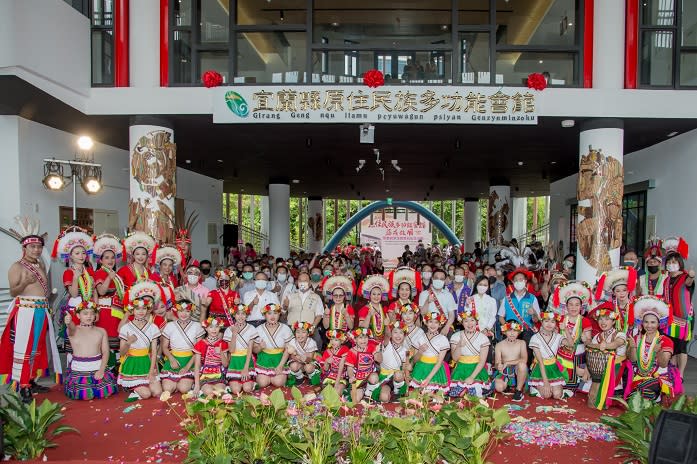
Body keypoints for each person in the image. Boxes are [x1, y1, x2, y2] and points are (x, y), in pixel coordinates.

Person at [626, 296, 678, 402]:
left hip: (658, 377)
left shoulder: (665, 340)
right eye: (646, 322)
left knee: (639, 394)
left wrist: (657, 351)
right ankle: (648, 397)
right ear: (642, 323)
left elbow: (663, 364)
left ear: (659, 323)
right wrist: (632, 347)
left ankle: (654, 395)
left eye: (653, 322)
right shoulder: (637, 338)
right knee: (636, 396)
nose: (649, 325)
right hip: (638, 376)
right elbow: (633, 360)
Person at [54, 227, 97, 355]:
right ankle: (74, 365)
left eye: (83, 253)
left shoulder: (89, 271)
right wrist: (76, 277)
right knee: (75, 336)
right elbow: (73, 293)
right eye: (77, 253)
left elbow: (94, 291)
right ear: (70, 256)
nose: (81, 256)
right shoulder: (68, 272)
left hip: (90, 307)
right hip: (75, 307)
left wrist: (96, 308)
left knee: (89, 336)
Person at [63, 301, 118, 400]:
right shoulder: (74, 330)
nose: (89, 316)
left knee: (105, 392)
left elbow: (105, 352)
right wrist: (68, 322)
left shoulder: (101, 331)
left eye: (92, 313)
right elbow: (70, 328)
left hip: (97, 367)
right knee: (86, 395)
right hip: (79, 369)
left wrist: (101, 370)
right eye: (85, 313)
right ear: (78, 316)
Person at [118, 297, 163, 401]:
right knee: (146, 394)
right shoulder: (125, 328)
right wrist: (128, 342)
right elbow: (122, 352)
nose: (141, 311)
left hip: (147, 362)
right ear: (132, 310)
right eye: (137, 309)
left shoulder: (153, 327)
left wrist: (151, 372)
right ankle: (132, 387)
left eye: (144, 308)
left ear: (148, 309)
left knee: (157, 392)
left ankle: (142, 384)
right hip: (132, 364)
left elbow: (154, 351)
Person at [554, 281, 593, 396]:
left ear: (581, 306)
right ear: (566, 306)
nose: (574, 307)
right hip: (561, 353)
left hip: (577, 355)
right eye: (570, 304)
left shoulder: (585, 321)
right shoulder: (561, 319)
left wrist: (586, 340)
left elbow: (589, 344)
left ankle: (577, 379)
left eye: (577, 304)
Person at [93, 233, 126, 370]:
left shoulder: (116, 275)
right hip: (106, 311)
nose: (110, 260)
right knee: (107, 342)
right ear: (100, 260)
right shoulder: (100, 273)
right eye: (106, 258)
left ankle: (114, 370)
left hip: (117, 311)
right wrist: (108, 278)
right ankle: (106, 369)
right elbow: (101, 291)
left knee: (116, 342)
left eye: (112, 257)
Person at [586, 302, 627, 409]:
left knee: (601, 403)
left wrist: (606, 345)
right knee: (591, 402)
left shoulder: (620, 334)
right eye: (600, 319)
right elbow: (591, 350)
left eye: (607, 319)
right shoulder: (598, 337)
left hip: (615, 370)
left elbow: (617, 343)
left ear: (613, 321)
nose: (603, 322)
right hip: (599, 370)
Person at [662, 243, 694, 378]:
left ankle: (680, 374)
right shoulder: (667, 279)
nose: (671, 264)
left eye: (674, 262)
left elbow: (689, 283)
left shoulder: (684, 276)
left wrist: (692, 276)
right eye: (669, 262)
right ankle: (672, 371)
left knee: (681, 347)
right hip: (670, 317)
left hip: (683, 318)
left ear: (679, 263)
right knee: (671, 345)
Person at [160, 300, 204, 394]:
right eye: (181, 311)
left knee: (183, 389)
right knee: (167, 389)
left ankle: (189, 382)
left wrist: (187, 367)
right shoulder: (170, 325)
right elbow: (164, 347)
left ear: (191, 312)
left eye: (187, 311)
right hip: (174, 360)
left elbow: (199, 350)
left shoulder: (197, 326)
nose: (184, 314)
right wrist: (171, 359)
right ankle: (176, 382)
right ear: (176, 311)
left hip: (191, 360)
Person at [449, 308, 491, 398]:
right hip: (460, 369)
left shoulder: (483, 338)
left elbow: (482, 361)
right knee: (454, 393)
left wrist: (472, 377)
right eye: (466, 321)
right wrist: (459, 345)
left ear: (476, 322)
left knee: (474, 393)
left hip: (476, 369)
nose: (469, 324)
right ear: (462, 322)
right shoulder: (455, 336)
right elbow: (455, 359)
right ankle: (464, 389)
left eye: (472, 320)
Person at [498, 268, 540, 355]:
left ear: (525, 281)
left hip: (526, 331)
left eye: (521, 279)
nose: (518, 282)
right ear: (513, 282)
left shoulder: (532, 298)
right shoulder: (507, 298)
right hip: (511, 331)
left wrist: (534, 313)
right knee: (509, 355)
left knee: (526, 356)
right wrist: (508, 328)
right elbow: (501, 316)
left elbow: (536, 320)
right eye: (516, 280)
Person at [409, 311, 450, 393]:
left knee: (428, 394)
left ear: (440, 324)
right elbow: (415, 360)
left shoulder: (443, 339)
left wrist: (428, 379)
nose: (433, 325)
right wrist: (420, 351)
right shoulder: (420, 337)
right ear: (426, 323)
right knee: (416, 394)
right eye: (430, 322)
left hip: (435, 370)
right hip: (421, 368)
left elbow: (439, 362)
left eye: (436, 322)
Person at [528, 312, 566, 399]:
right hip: (540, 368)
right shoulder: (535, 338)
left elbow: (571, 345)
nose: (549, 324)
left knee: (557, 395)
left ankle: (555, 387)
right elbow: (541, 362)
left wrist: (565, 329)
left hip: (553, 368)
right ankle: (534, 387)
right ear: (541, 322)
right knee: (546, 395)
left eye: (552, 322)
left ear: (556, 324)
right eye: (546, 321)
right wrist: (546, 383)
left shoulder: (558, 336)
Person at [253, 304, 292, 388]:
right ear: (264, 315)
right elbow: (254, 350)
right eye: (269, 313)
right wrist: (260, 347)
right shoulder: (258, 329)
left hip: (279, 359)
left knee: (278, 383)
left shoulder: (285, 328)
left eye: (275, 313)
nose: (272, 316)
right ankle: (266, 377)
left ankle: (282, 375)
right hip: (264, 360)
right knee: (262, 383)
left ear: (279, 314)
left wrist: (281, 365)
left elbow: (287, 350)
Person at [223, 304, 258, 394]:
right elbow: (231, 351)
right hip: (234, 362)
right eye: (238, 314)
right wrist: (234, 333)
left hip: (247, 360)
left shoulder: (251, 328)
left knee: (247, 388)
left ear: (247, 315)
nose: (241, 316)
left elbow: (250, 349)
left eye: (243, 314)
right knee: (236, 390)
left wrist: (246, 368)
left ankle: (251, 382)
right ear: (234, 315)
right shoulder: (228, 330)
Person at [374, 321, 409, 402]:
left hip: (398, 378)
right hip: (385, 377)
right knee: (384, 397)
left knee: (399, 374)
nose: (398, 335)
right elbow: (386, 335)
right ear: (391, 334)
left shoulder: (406, 351)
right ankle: (390, 395)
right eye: (395, 332)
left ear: (404, 335)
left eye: (401, 333)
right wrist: (386, 325)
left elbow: (404, 368)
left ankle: (397, 392)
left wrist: (407, 384)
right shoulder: (386, 344)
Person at [596, 267, 638, 335]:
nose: (621, 293)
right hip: (614, 337)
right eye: (618, 291)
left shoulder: (636, 304)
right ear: (613, 293)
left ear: (628, 290)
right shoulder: (609, 306)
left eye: (624, 290)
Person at [491, 321, 527, 401]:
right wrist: (498, 365)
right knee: (499, 388)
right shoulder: (499, 345)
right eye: (509, 330)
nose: (512, 333)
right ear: (504, 332)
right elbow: (497, 363)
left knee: (522, 365)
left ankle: (518, 390)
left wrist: (507, 362)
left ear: (519, 332)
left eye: (515, 331)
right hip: (505, 371)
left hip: (518, 370)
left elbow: (524, 359)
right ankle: (508, 385)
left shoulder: (522, 343)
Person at [193, 317, 229, 396]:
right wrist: (196, 385)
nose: (214, 329)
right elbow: (197, 365)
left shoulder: (223, 343)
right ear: (206, 328)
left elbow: (226, 364)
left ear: (220, 327)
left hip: (219, 375)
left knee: (219, 392)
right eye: (211, 327)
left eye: (216, 326)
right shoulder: (200, 344)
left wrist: (221, 353)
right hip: (205, 376)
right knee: (209, 392)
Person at [284, 272, 324, 341]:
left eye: (305, 281)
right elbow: (283, 313)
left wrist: (313, 327)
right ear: (297, 282)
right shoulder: (290, 296)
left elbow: (319, 314)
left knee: (316, 344)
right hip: (292, 328)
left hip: (309, 328)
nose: (302, 283)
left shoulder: (316, 297)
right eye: (300, 280)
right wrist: (285, 306)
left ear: (310, 282)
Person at [345, 328, 380, 402]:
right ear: (355, 340)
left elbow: (380, 360)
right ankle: (364, 392)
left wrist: (378, 352)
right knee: (356, 399)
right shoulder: (351, 351)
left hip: (370, 377)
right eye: (360, 338)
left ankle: (368, 392)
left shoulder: (371, 347)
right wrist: (351, 377)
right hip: (358, 381)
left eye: (365, 337)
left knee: (374, 377)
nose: (363, 340)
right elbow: (349, 368)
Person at [418, 269, 457, 335]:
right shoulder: (424, 294)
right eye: (436, 278)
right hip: (428, 325)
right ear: (432, 279)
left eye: (441, 279)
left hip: (444, 325)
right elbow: (422, 313)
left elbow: (451, 315)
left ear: (444, 281)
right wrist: (427, 301)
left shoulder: (448, 295)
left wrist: (446, 327)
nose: (439, 280)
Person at [357, 274, 391, 342]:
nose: (376, 296)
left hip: (383, 342)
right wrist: (369, 315)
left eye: (379, 294)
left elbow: (389, 332)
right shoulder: (364, 309)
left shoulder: (384, 309)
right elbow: (361, 329)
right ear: (369, 295)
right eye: (374, 294)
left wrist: (387, 325)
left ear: (382, 295)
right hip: (368, 342)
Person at [286, 322, 320, 386]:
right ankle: (299, 376)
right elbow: (291, 356)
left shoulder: (311, 342)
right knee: (293, 366)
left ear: (308, 334)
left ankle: (311, 376)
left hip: (308, 362)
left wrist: (304, 358)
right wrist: (296, 356)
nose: (300, 335)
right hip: (298, 362)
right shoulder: (292, 341)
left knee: (308, 367)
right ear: (294, 333)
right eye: (298, 332)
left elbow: (310, 359)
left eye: (303, 332)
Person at [152, 244, 182, 314]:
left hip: (173, 311)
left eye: (170, 265)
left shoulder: (172, 278)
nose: (167, 268)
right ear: (160, 265)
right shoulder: (154, 278)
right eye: (164, 264)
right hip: (159, 312)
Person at [467, 276, 498, 340]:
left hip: (487, 331)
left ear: (488, 287)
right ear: (476, 285)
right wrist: (467, 305)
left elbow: (493, 316)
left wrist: (487, 328)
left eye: (485, 285)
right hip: (472, 331)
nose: (482, 287)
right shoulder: (470, 299)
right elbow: (467, 315)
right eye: (480, 284)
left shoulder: (492, 300)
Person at [320, 330, 350, 395]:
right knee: (325, 392)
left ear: (342, 341)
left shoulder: (345, 349)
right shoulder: (327, 351)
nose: (333, 342)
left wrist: (337, 382)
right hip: (330, 376)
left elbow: (343, 366)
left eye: (336, 340)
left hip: (342, 376)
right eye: (331, 339)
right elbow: (325, 369)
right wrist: (326, 362)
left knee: (337, 391)